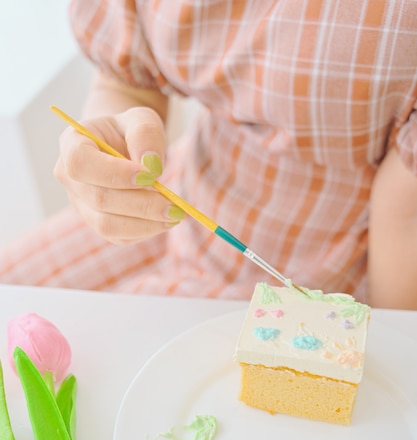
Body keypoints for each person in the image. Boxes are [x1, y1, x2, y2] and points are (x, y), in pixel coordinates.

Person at [1, 0, 416, 308]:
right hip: (176, 194)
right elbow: (128, 82)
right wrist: (107, 152)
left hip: (315, 272)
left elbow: (395, 322)